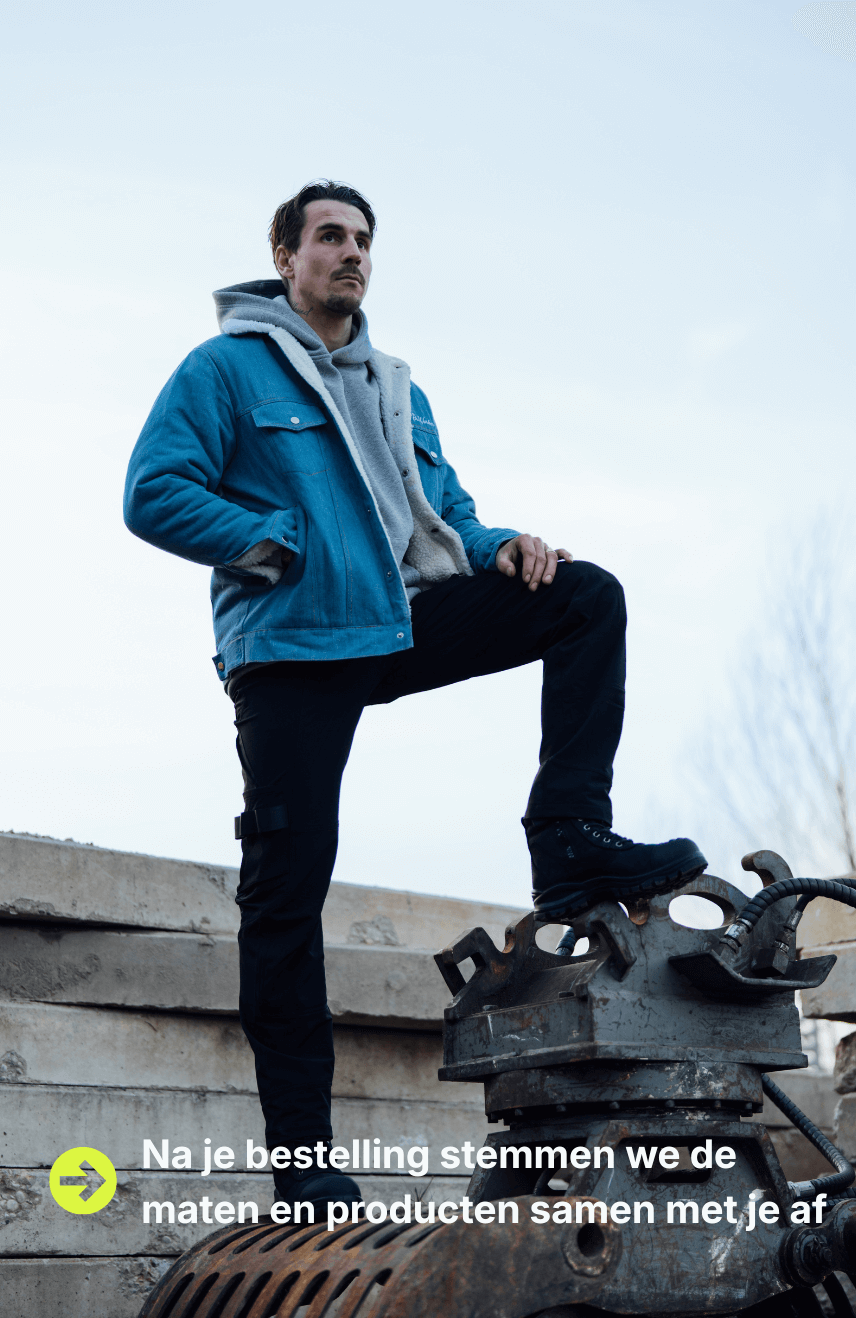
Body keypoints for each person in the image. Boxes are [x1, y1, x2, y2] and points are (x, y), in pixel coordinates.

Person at [124, 179, 707, 1210]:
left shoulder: (398, 386)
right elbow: (153, 491)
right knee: (285, 892)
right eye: (330, 237)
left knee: (584, 597)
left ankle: (568, 838)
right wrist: (274, 543)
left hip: (397, 622)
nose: (351, 252)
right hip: (293, 645)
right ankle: (304, 1166)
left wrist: (505, 546)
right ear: (286, 256)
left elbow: (446, 518)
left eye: (363, 239)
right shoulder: (225, 369)